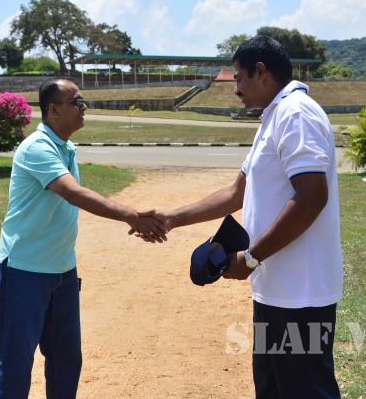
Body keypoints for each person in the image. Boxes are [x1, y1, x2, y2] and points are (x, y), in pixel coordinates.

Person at [139, 36, 343, 398]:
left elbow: (311, 198)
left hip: (301, 294)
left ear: (260, 72)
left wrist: (251, 257)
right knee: (272, 389)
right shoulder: (274, 117)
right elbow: (236, 193)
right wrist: (171, 218)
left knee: (305, 390)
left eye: (238, 78)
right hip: (276, 290)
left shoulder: (296, 113)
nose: (235, 89)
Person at [0, 79, 169, 399]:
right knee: (16, 364)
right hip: (24, 271)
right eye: (77, 101)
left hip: (62, 270)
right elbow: (73, 194)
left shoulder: (65, 147)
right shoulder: (37, 147)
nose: (83, 106)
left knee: (66, 360)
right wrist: (131, 216)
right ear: (54, 109)